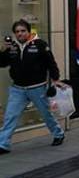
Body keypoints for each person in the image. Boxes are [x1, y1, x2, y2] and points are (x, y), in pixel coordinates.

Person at [0, 20, 65, 154]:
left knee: (46, 114)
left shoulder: (40, 45)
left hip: (37, 88)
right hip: (18, 89)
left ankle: (58, 134)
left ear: (29, 32)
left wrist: (56, 79)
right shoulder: (12, 47)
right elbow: (2, 63)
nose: (20, 34)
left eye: (23, 31)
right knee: (10, 116)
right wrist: (3, 50)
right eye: (17, 32)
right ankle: (3, 144)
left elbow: (51, 63)